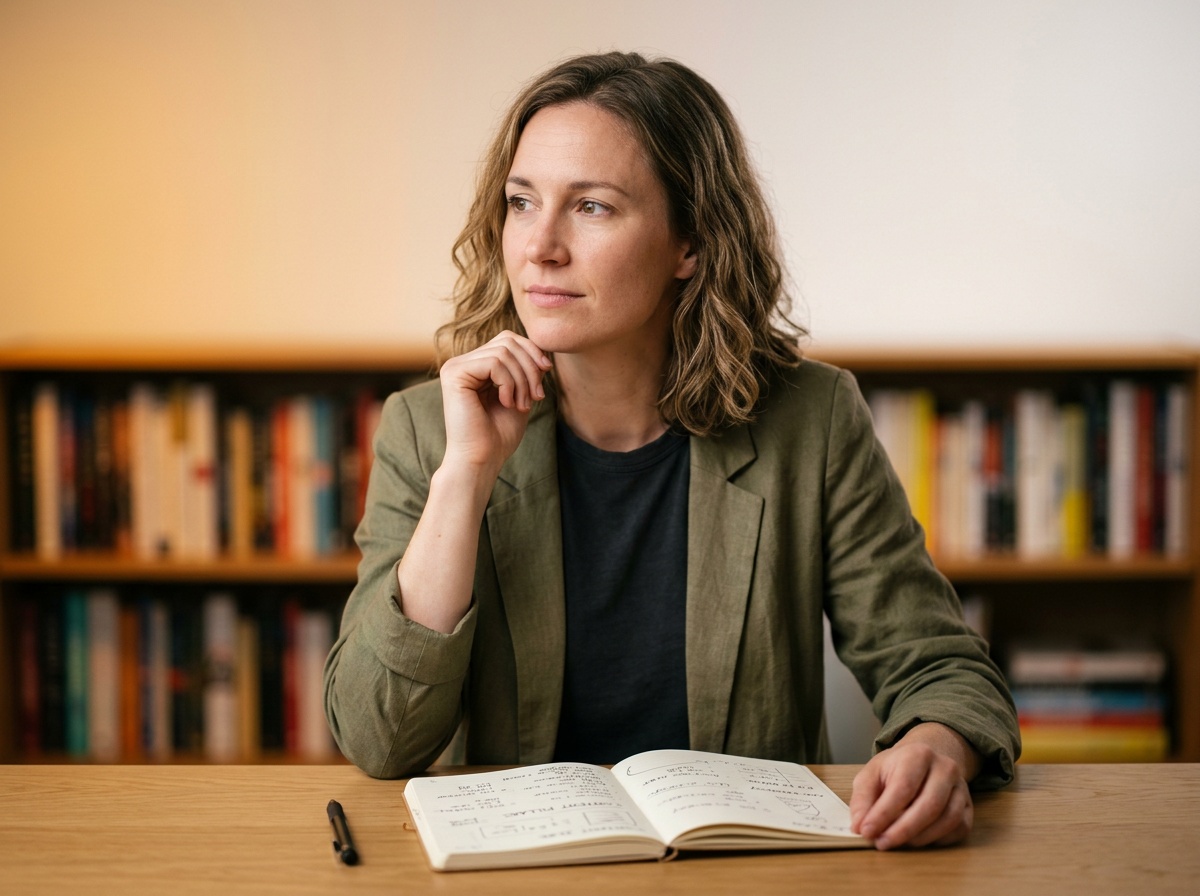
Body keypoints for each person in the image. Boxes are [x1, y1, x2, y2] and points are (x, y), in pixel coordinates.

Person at [324, 51, 1020, 851]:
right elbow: (378, 738)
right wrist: (466, 476)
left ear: (688, 242)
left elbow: (940, 666)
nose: (540, 247)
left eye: (592, 207)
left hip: (742, 867)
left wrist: (936, 746)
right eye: (521, 203)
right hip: (517, 873)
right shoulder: (427, 428)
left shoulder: (811, 419)